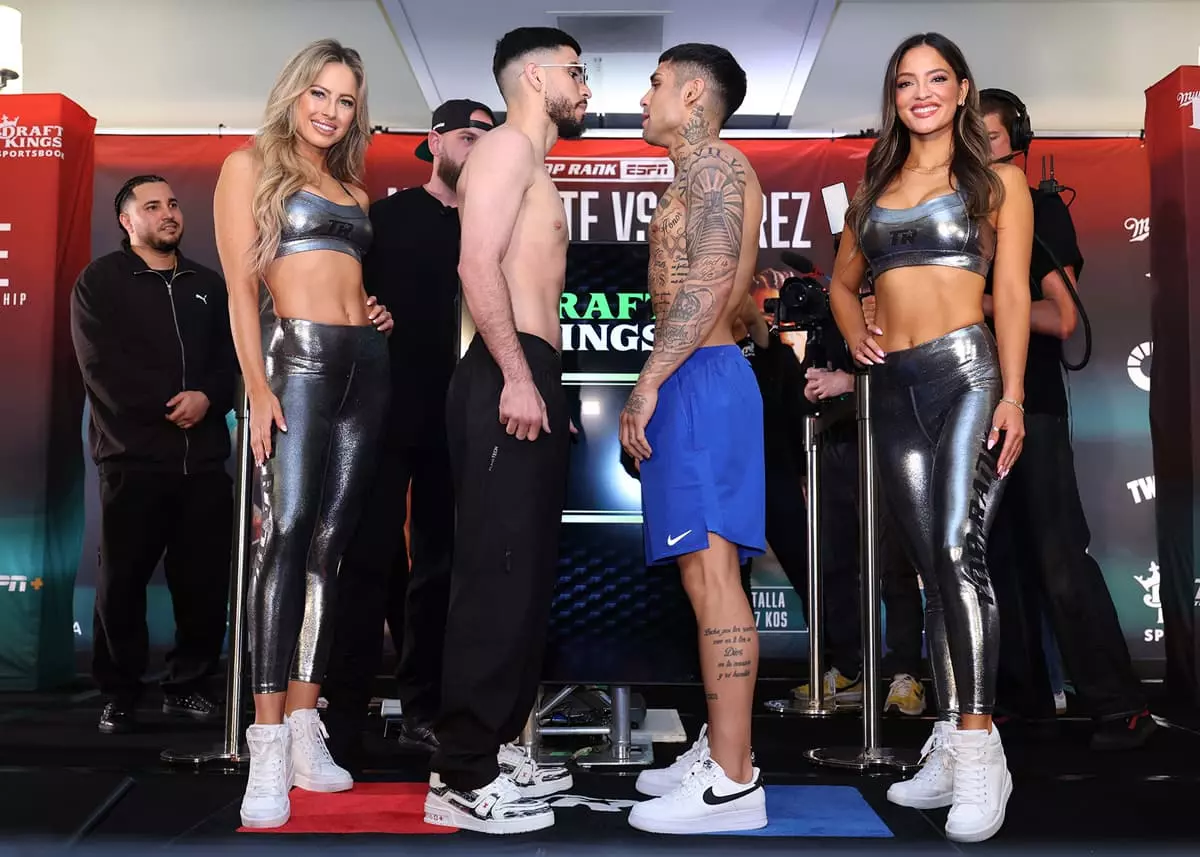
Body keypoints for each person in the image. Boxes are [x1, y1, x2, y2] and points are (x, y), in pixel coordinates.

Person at [827, 33, 1033, 843]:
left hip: (971, 378)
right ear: (895, 97)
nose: (921, 93)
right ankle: (949, 737)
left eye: (936, 79)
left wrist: (1014, 393)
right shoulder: (875, 187)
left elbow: (1011, 291)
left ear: (960, 90)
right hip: (897, 388)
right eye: (906, 81)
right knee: (930, 564)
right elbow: (846, 285)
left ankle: (981, 748)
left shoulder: (997, 182)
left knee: (957, 549)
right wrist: (854, 331)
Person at [212, 39, 394, 830]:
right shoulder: (248, 167)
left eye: (346, 99)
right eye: (319, 93)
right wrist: (256, 386)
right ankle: (264, 744)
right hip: (299, 362)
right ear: (293, 93)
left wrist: (373, 311)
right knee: (282, 538)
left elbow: (343, 275)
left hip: (367, 363)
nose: (330, 110)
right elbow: (240, 288)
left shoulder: (350, 182)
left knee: (333, 544)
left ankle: (305, 726)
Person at [421, 27, 589, 835]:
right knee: (494, 574)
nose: (586, 86)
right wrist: (517, 375)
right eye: (575, 70)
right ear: (533, 74)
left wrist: (537, 376)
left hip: (530, 369)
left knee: (523, 576)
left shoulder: (534, 160)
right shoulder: (503, 149)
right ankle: (458, 773)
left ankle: (495, 751)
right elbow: (474, 263)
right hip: (503, 369)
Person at [618, 44, 768, 835]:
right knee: (704, 577)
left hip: (699, 379)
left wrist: (648, 380)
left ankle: (734, 782)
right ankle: (724, 744)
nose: (643, 98)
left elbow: (711, 275)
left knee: (713, 581)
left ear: (692, 90)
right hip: (699, 377)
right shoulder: (700, 172)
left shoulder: (715, 166)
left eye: (652, 84)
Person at [322, 98, 495, 774]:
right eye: (465, 133)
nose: (477, 143)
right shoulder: (384, 218)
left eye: (488, 134)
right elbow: (335, 292)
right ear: (435, 142)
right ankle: (344, 716)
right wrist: (362, 308)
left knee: (445, 570)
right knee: (364, 561)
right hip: (384, 412)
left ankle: (427, 710)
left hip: (468, 419)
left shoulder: (497, 224)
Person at [979, 88, 1155, 749]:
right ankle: (1021, 700)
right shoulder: (967, 215)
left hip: (1036, 405)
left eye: (991, 139)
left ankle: (1119, 704)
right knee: (995, 560)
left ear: (1016, 142)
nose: (981, 151)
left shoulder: (1042, 209)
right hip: (975, 405)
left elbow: (1063, 317)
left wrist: (989, 304)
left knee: (1056, 555)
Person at [70, 175, 235, 735]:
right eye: (152, 206)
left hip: (205, 465)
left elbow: (233, 361)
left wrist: (209, 398)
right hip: (132, 461)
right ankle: (119, 691)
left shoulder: (209, 284)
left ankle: (187, 686)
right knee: (120, 586)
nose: (167, 213)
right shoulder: (100, 282)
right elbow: (101, 369)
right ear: (127, 220)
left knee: (205, 585)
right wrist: (172, 406)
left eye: (172, 204)